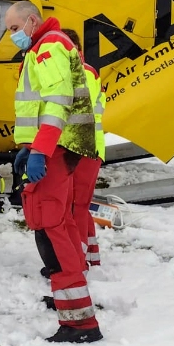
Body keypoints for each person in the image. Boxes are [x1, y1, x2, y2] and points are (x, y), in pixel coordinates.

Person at [5, 1, 103, 344]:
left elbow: (57, 102)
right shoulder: (47, 47)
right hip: (56, 149)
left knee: (51, 225)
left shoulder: (48, 48)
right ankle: (73, 304)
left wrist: (40, 149)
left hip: (56, 150)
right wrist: (28, 145)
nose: (11, 35)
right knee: (57, 224)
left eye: (15, 28)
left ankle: (80, 322)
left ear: (32, 21)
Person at [61, 28, 106, 272]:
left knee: (75, 206)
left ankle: (77, 263)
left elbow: (76, 112)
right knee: (80, 205)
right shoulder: (85, 70)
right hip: (88, 147)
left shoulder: (81, 72)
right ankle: (91, 256)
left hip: (82, 147)